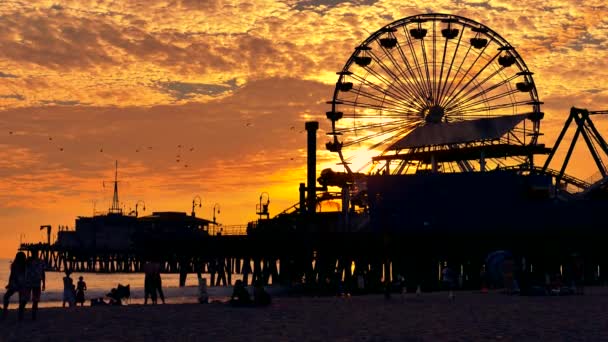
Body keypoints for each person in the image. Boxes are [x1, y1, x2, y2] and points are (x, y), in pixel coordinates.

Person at [2, 252, 28, 320]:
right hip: (21, 284)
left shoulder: (16, 265)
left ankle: (5, 311)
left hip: (16, 284)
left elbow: (11, 275)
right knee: (21, 301)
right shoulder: (24, 265)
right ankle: (20, 315)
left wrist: (10, 283)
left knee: (6, 297)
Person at [25, 250, 46, 319]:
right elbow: (43, 273)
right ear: (37, 253)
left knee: (27, 299)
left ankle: (25, 313)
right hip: (35, 283)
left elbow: (43, 273)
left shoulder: (28, 261)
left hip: (29, 282)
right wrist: (44, 283)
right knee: (35, 300)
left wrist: (43, 283)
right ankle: (33, 315)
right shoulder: (40, 261)